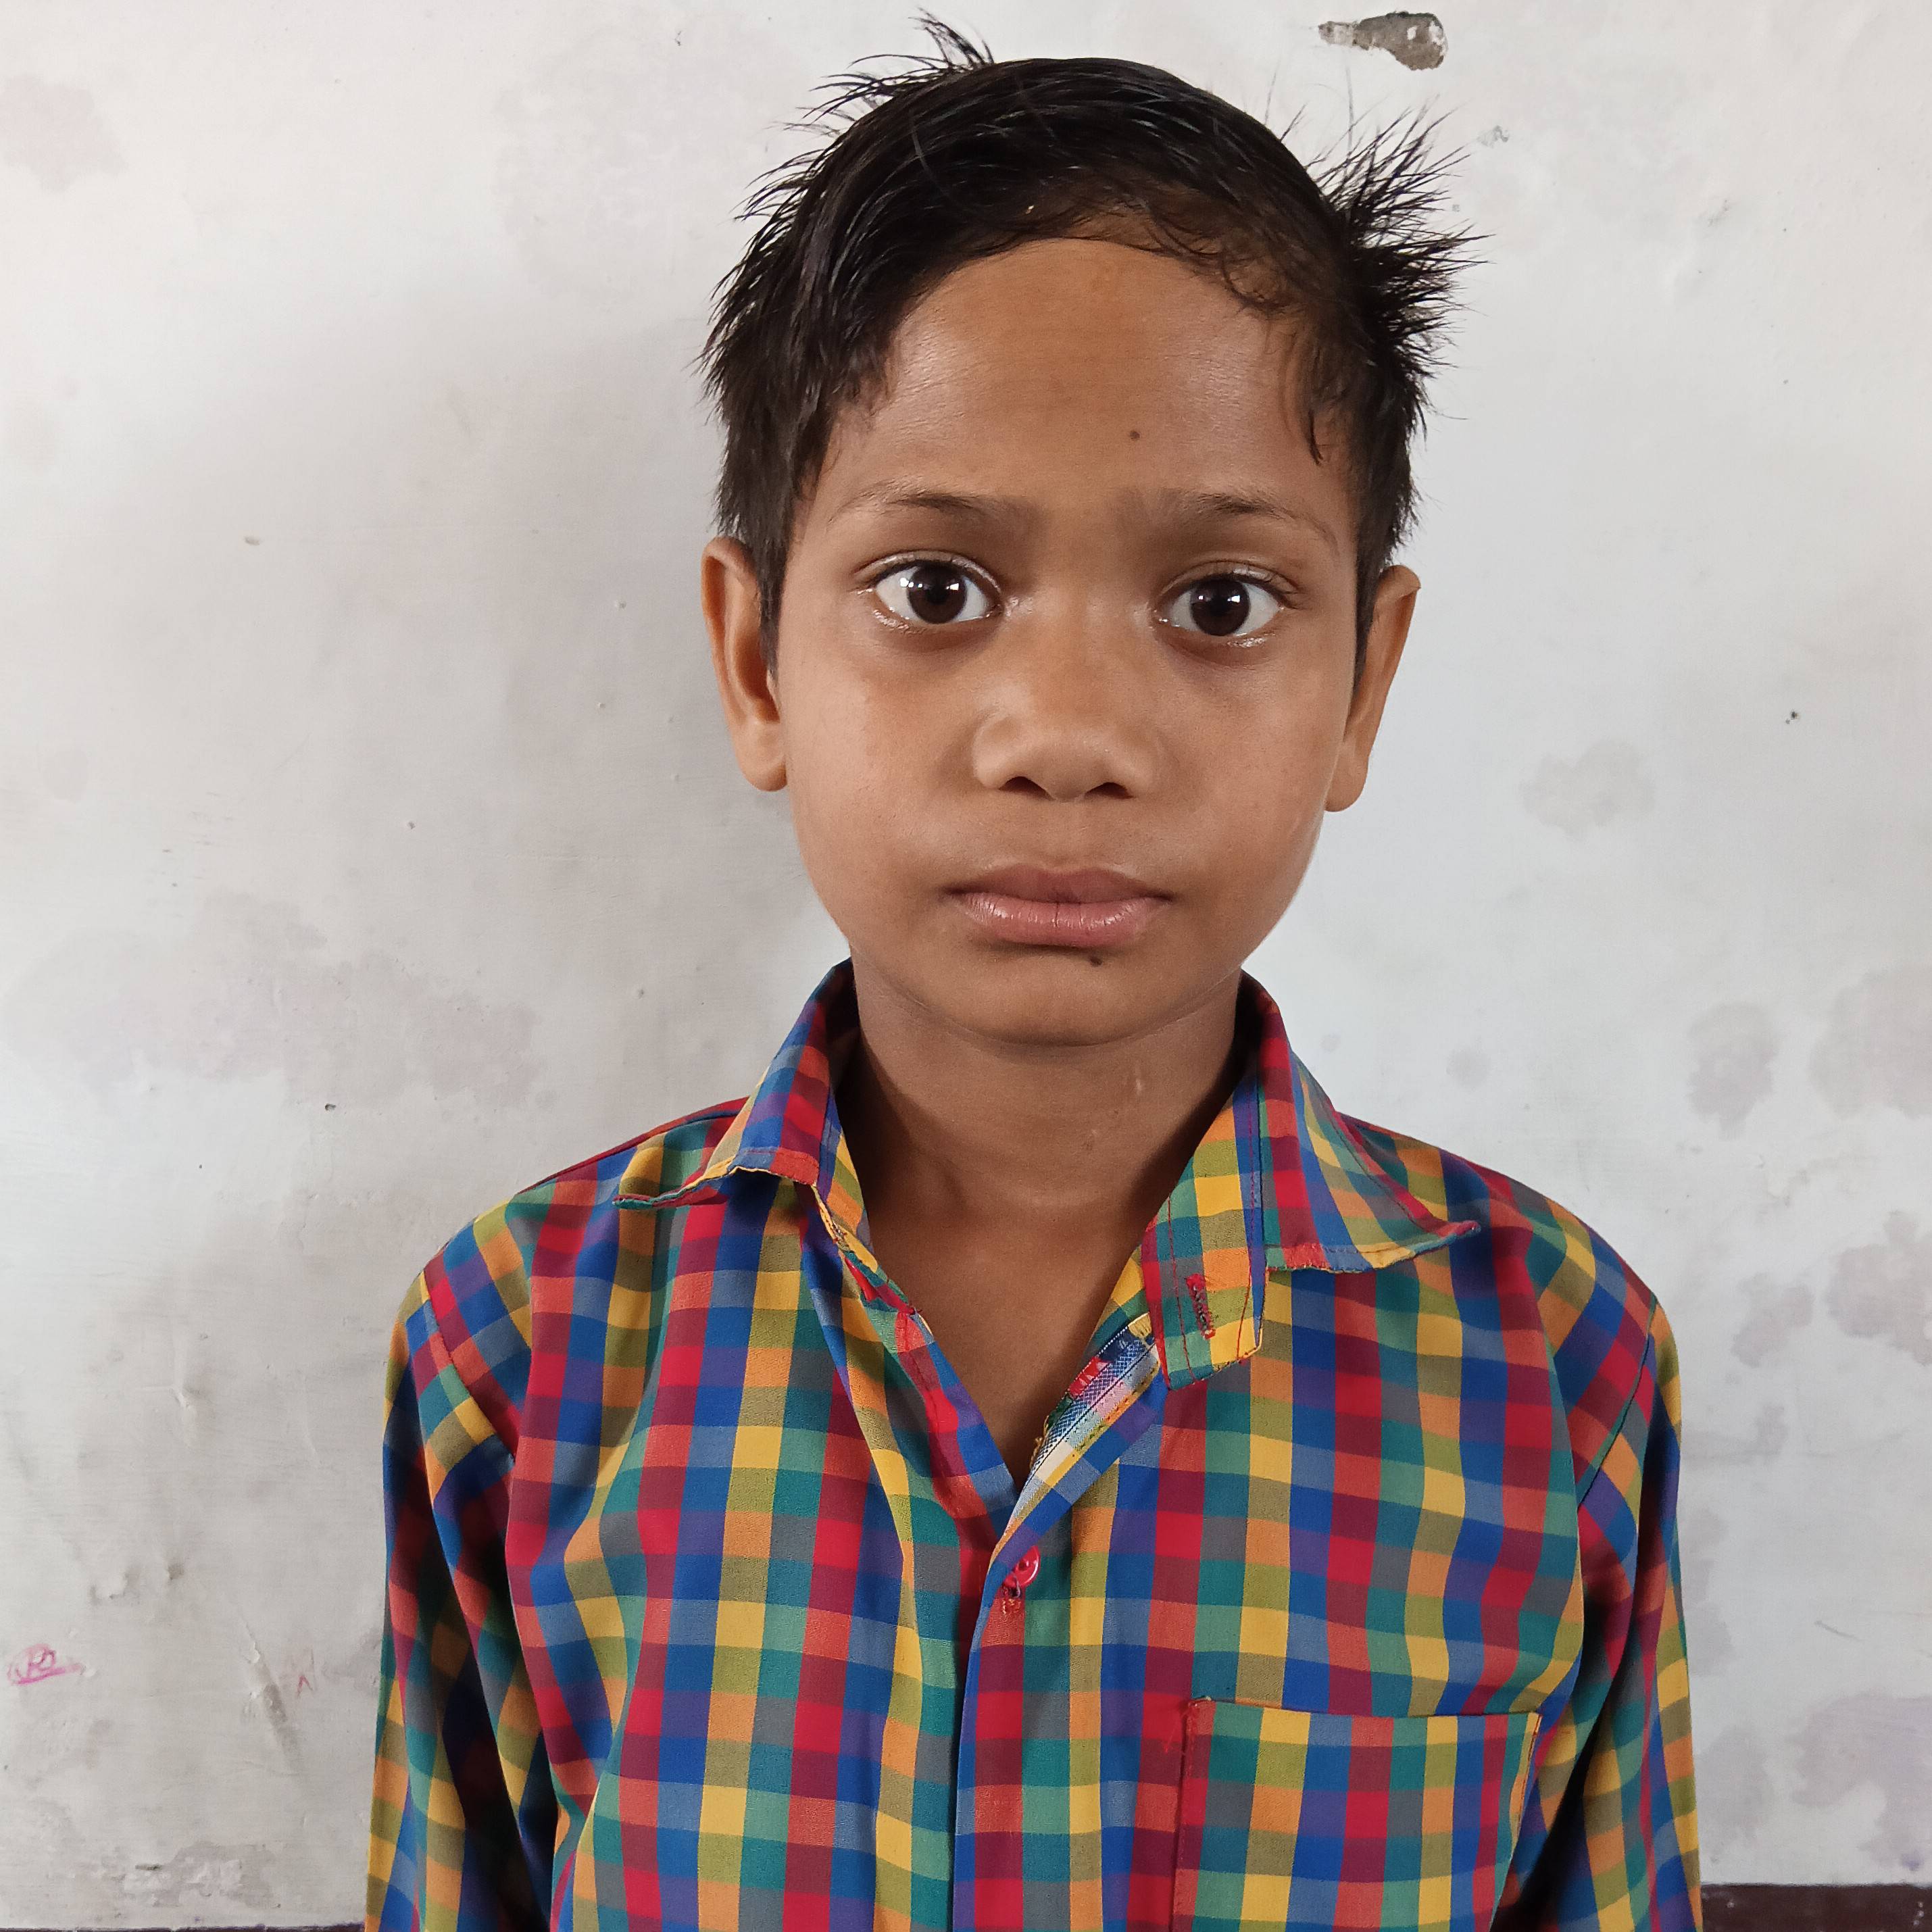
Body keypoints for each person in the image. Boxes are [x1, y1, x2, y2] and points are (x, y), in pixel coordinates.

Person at [366, 24, 1698, 1931]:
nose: (1065, 734)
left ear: (1361, 684)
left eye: (1220, 603)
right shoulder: (528, 1343)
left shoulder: (1552, 1364)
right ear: (754, 663)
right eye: (935, 589)